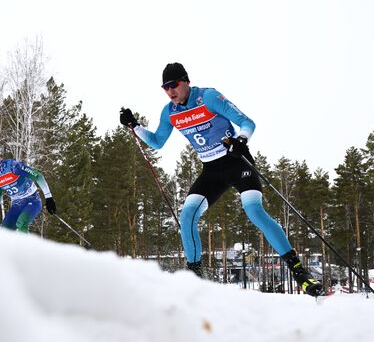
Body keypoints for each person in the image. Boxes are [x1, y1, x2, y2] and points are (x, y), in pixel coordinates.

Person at [119, 62, 322, 296]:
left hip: (237, 161)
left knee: (254, 211)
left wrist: (242, 139)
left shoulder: (208, 97)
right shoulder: (170, 112)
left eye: (173, 85)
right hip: (211, 170)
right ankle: (195, 276)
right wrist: (135, 126)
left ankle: (298, 271)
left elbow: (247, 122)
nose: (170, 91)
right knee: (187, 216)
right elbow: (157, 142)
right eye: (165, 87)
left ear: (186, 81)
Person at [0, 143, 57, 232]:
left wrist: (49, 198)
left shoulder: (13, 166)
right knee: (5, 231)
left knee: (22, 222)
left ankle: (26, 246)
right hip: (17, 204)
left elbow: (38, 176)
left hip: (32, 200)